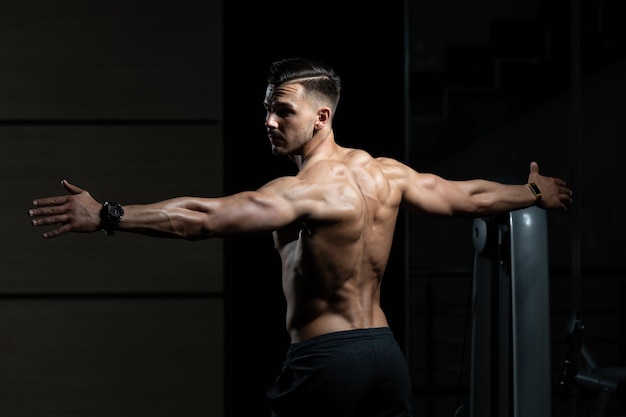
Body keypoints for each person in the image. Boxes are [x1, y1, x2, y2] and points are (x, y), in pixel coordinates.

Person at [28, 57, 573, 417]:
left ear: (321, 116)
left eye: (282, 110)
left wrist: (109, 215)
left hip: (326, 361)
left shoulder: (306, 192)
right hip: (385, 357)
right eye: (266, 108)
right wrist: (530, 192)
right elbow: (465, 197)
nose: (268, 120)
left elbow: (206, 217)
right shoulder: (386, 173)